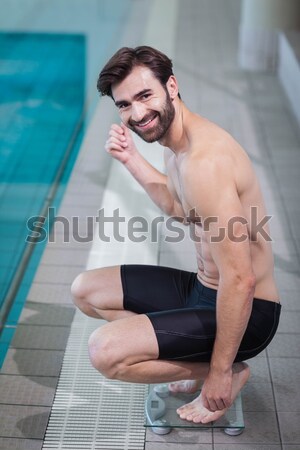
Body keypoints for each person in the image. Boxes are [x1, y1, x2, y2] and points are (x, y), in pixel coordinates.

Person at [71, 46, 281, 424]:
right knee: (85, 290)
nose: (136, 114)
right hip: (204, 290)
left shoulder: (205, 162)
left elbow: (240, 278)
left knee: (105, 352)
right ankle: (195, 357)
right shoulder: (176, 142)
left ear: (171, 85)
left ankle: (224, 370)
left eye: (144, 95)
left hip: (248, 313)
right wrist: (132, 159)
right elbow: (179, 207)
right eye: (124, 105)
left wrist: (216, 373)